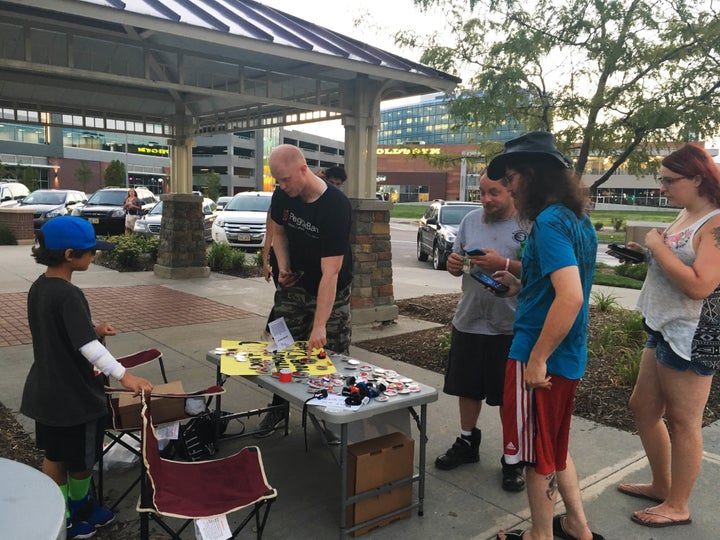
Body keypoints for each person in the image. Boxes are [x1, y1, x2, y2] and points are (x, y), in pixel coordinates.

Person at [487, 132, 604, 540]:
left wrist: (536, 358)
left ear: (533, 175)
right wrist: (523, 284)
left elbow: (570, 296)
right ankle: (577, 526)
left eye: (514, 175)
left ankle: (541, 534)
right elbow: (561, 285)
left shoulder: (551, 221)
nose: (510, 185)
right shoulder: (576, 219)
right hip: (568, 355)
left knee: (536, 454)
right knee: (553, 445)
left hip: (542, 358)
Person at [20, 216, 153, 539]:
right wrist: (125, 376)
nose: (94, 256)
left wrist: (94, 329)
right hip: (75, 398)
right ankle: (76, 511)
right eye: (90, 252)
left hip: (46, 393)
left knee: (54, 456)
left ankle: (60, 513)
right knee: (80, 460)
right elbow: (87, 348)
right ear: (69, 255)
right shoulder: (68, 295)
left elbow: (64, 334)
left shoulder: (40, 288)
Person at [615, 144, 720, 528]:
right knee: (642, 407)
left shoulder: (716, 223)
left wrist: (658, 245)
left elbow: (701, 286)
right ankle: (662, 485)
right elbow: (676, 260)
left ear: (697, 178)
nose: (662, 187)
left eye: (669, 180)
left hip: (691, 333)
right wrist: (644, 253)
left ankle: (679, 505)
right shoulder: (688, 213)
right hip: (661, 325)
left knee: (683, 420)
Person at [434, 173, 528, 493]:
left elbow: (543, 270)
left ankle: (512, 458)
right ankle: (467, 441)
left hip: (510, 325)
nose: (486, 199)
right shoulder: (471, 220)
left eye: (495, 192)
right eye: (482, 192)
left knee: (507, 397)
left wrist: (503, 262)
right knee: (468, 388)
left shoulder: (528, 225)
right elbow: (457, 263)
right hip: (470, 319)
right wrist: (453, 263)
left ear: (511, 191)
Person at [256, 145, 353, 437]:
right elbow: (280, 233)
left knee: (329, 352)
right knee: (283, 346)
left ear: (303, 169)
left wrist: (319, 325)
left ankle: (332, 416)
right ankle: (278, 408)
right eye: (277, 181)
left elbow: (331, 272)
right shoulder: (283, 195)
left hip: (330, 284)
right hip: (295, 281)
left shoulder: (336, 206)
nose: (282, 187)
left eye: (285, 179)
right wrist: (283, 266)